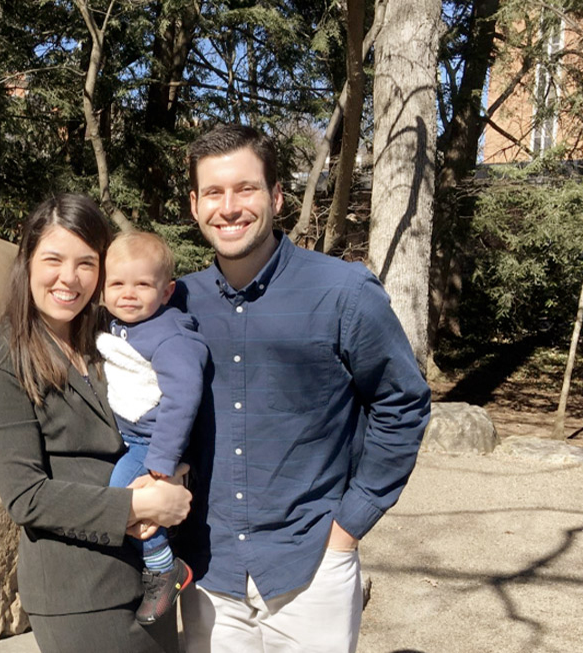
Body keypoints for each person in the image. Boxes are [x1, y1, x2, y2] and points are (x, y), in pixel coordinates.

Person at [172, 124, 432, 653]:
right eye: (214, 193)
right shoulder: (176, 305)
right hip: (209, 571)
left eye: (246, 189)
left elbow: (401, 403)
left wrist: (349, 527)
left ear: (276, 195)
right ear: (195, 205)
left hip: (311, 565)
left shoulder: (344, 292)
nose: (230, 207)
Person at [0, 194, 192, 653]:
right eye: (53, 259)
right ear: (27, 261)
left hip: (150, 579)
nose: (68, 278)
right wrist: (140, 508)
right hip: (80, 592)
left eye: (86, 263)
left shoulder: (109, 343)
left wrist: (173, 472)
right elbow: (25, 496)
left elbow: (154, 420)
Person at [97, 231, 211, 625]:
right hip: (134, 438)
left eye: (142, 284)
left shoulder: (171, 336)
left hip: (152, 443)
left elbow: (183, 397)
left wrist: (162, 462)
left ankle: (164, 567)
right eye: (117, 284)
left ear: (166, 292)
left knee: (121, 498)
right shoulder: (122, 324)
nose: (128, 294)